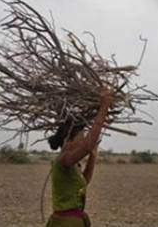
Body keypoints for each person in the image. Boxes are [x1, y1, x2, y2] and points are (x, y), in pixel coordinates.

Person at [45, 87, 114, 227]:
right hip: (65, 223)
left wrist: (92, 157)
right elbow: (87, 146)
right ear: (67, 141)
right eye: (81, 138)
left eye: (84, 138)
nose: (83, 141)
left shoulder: (71, 164)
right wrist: (104, 108)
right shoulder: (64, 160)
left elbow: (84, 181)